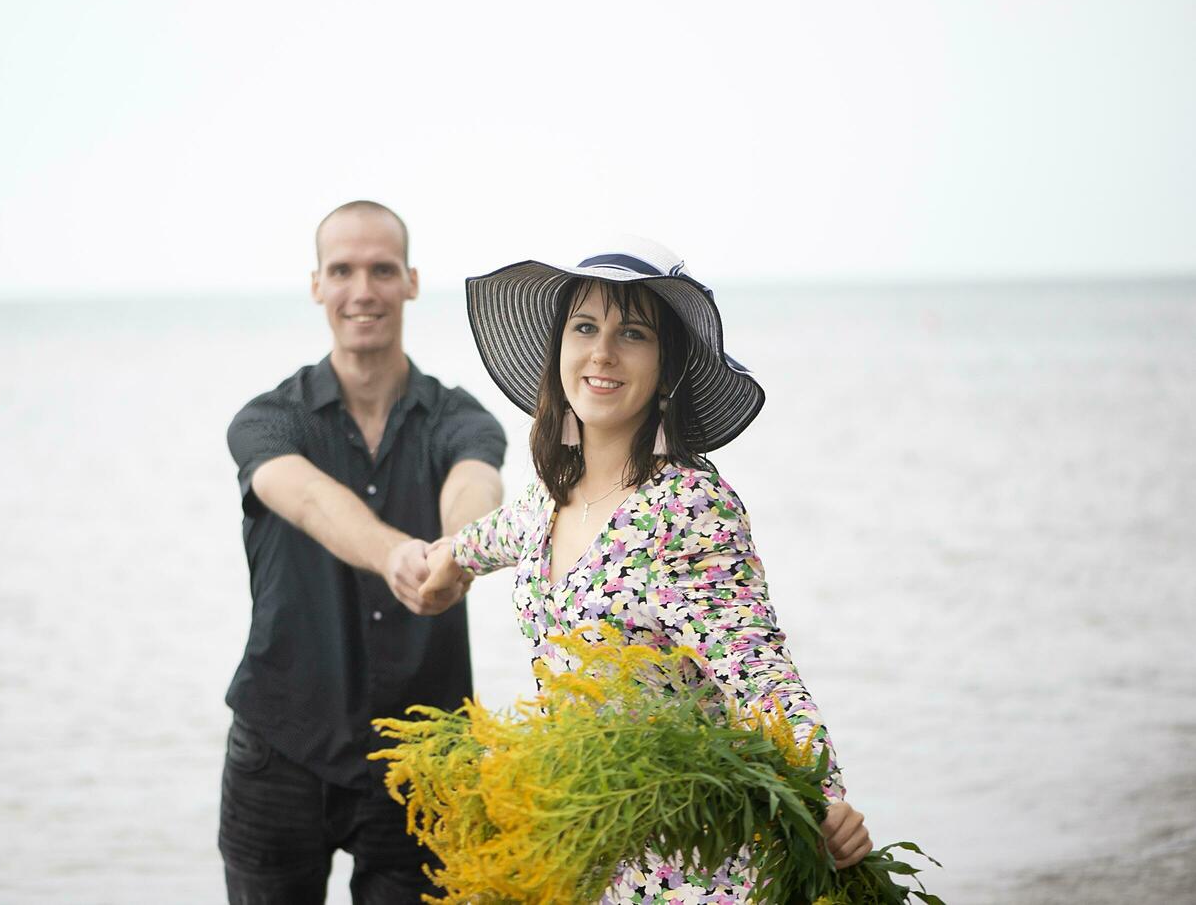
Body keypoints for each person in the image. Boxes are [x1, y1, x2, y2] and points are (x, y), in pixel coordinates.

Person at [419, 237, 871, 903]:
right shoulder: (553, 491)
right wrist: (448, 558)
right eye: (585, 327)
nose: (602, 352)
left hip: (691, 861)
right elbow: (501, 533)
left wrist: (825, 795)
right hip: (589, 845)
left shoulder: (686, 504)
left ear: (666, 370)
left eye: (632, 334)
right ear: (560, 352)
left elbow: (757, 669)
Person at [220, 201, 507, 904]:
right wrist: (395, 555)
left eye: (381, 270)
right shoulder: (269, 419)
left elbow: (477, 480)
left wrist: (456, 555)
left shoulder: (458, 415)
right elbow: (306, 497)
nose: (363, 290)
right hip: (282, 746)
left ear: (410, 281)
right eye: (343, 270)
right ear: (317, 284)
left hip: (426, 759)